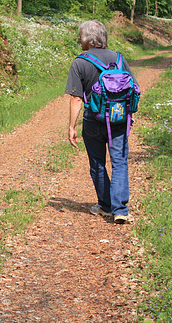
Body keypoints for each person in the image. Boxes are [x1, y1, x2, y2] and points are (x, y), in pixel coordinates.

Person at [66, 20, 137, 224]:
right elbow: (134, 88)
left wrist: (71, 127)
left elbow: (76, 98)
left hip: (93, 119)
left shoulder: (80, 62)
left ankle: (105, 206)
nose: (79, 40)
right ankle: (121, 209)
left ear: (87, 40)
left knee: (97, 163)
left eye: (80, 36)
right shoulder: (120, 59)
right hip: (119, 119)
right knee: (120, 162)